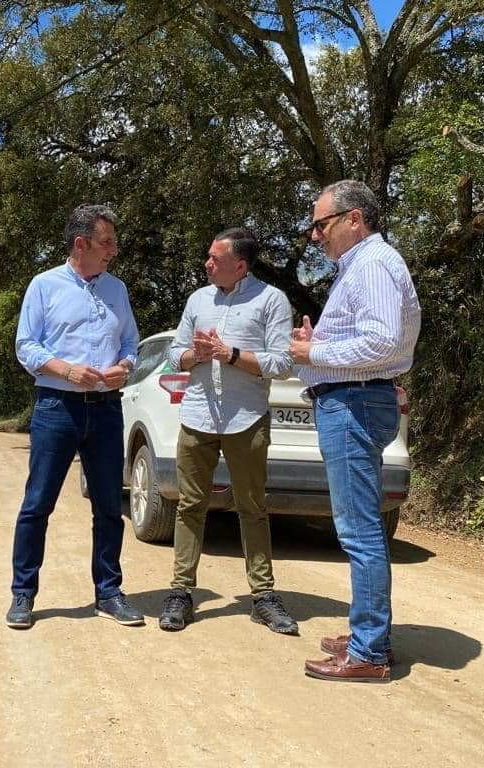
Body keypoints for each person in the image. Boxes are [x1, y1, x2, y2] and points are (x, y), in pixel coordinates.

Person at [290, 180, 421, 683]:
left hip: (354, 403)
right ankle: (370, 634)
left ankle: (368, 652)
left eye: (321, 224)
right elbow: (369, 340)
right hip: (353, 398)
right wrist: (316, 342)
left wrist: (314, 353)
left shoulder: (371, 264)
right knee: (359, 527)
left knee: (359, 530)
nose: (315, 235)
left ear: (354, 219)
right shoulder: (365, 267)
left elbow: (382, 342)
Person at [6, 203, 143, 629]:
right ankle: (23, 594)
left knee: (107, 507)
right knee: (37, 505)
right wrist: (67, 370)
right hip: (56, 408)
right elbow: (25, 346)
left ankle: (109, 592)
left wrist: (126, 367)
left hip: (106, 411)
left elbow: (132, 344)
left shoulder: (117, 289)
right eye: (107, 243)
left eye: (114, 243)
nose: (113, 251)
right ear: (80, 243)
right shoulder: (44, 286)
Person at [158, 228, 298, 634]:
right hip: (198, 416)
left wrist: (230, 355)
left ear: (240, 264)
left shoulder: (271, 300)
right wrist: (192, 355)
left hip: (246, 418)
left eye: (214, 259)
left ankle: (263, 597)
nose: (207, 263)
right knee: (189, 506)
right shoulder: (197, 300)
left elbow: (283, 363)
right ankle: (181, 593)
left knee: (252, 508)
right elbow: (172, 355)